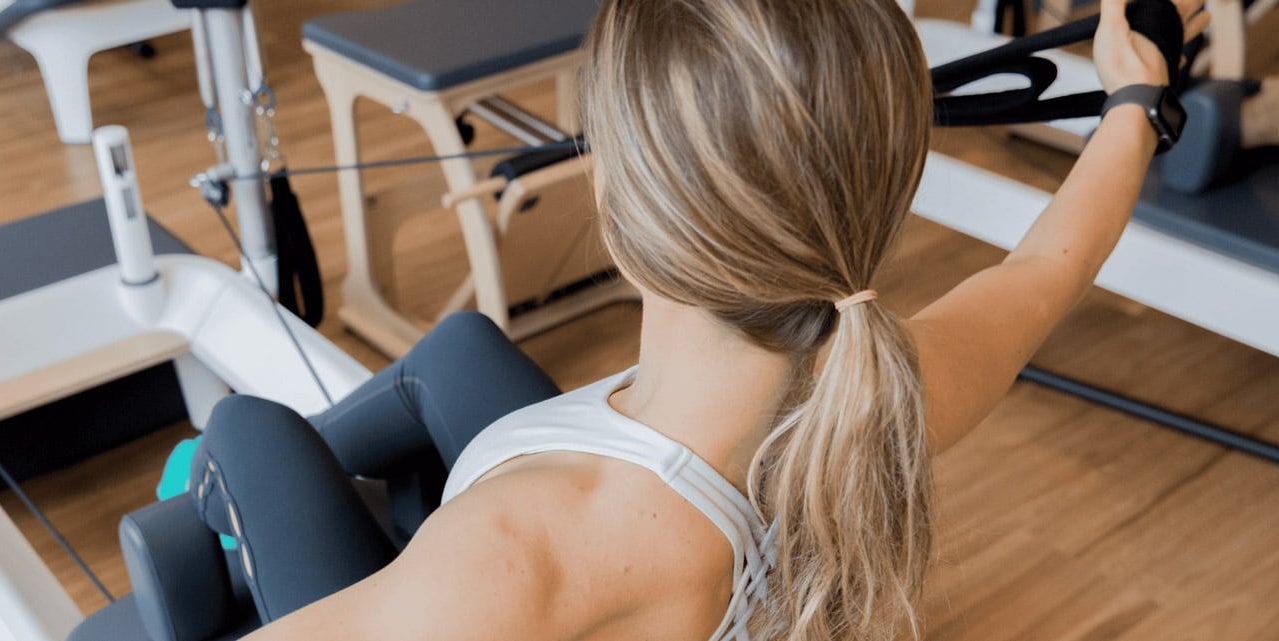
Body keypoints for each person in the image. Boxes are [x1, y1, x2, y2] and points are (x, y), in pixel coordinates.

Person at [189, 0, 1210, 640]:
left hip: (548, 559)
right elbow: (1052, 260)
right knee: (459, 351)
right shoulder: (894, 386)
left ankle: (210, 496)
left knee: (248, 432)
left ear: (624, 224)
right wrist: (1134, 97)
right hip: (658, 525)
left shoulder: (519, 549)